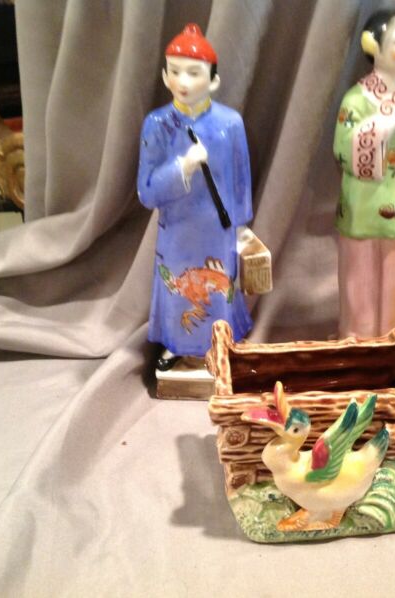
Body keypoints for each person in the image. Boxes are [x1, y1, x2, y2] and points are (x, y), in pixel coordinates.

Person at [138, 24, 253, 371]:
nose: (182, 81)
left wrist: (242, 225)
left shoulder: (229, 124)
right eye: (174, 72)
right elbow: (147, 191)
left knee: (220, 284)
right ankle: (176, 343)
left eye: (193, 72)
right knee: (178, 284)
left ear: (213, 81)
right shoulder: (157, 124)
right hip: (177, 229)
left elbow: (241, 180)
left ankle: (221, 343)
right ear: (164, 76)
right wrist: (182, 167)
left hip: (218, 228)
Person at [334, 10, 395, 338]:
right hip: (361, 208)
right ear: (373, 47)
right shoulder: (357, 100)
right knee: (358, 287)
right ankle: (358, 348)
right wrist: (391, 122)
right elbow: (344, 151)